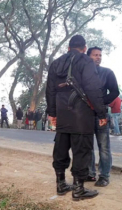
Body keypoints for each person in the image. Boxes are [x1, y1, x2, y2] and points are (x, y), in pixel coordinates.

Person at [46, 35, 107, 201]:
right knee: (81, 151)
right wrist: (102, 113)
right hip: (81, 115)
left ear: (68, 48)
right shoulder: (86, 61)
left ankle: (61, 184)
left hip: (62, 114)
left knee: (61, 148)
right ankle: (78, 189)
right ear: (85, 48)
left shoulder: (56, 63)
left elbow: (50, 90)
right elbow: (93, 88)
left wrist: (52, 113)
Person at [86, 46, 120, 187]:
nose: (98, 57)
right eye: (95, 55)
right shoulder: (82, 74)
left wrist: (101, 102)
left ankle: (104, 176)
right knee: (87, 147)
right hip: (85, 115)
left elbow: (115, 92)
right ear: (88, 57)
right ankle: (90, 173)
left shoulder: (107, 73)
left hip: (101, 115)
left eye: (100, 55)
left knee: (104, 147)